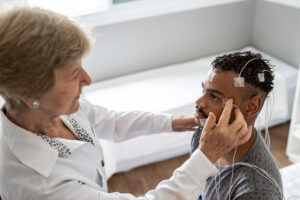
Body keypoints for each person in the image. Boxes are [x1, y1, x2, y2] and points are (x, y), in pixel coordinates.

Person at [0, 7, 251, 200]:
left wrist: (177, 123)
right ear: (29, 94)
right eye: (73, 74)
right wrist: (207, 156)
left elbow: (111, 121)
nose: (88, 79)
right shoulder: (39, 186)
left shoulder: (55, 109)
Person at [191, 51, 283, 199]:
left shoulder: (256, 189)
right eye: (203, 90)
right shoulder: (203, 135)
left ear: (251, 107)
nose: (199, 102)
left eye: (214, 96)